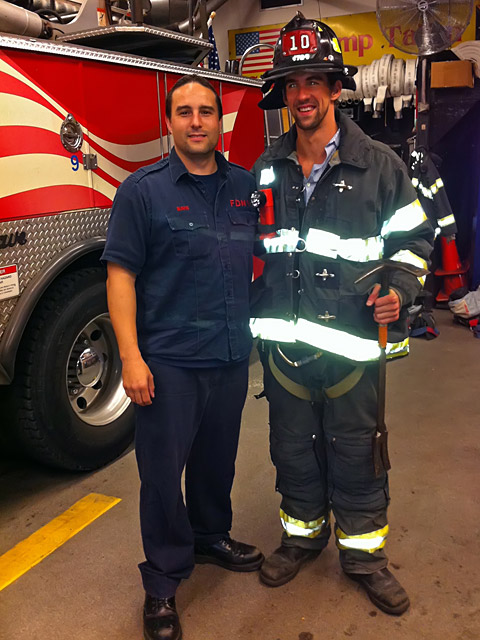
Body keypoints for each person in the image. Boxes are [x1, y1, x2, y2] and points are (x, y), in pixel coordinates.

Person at [250, 13, 434, 616]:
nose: (303, 94)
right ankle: (302, 537)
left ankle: (364, 557)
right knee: (293, 446)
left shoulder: (381, 165)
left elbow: (413, 242)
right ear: (284, 94)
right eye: (293, 83)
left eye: (315, 80)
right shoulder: (266, 167)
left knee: (357, 447)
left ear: (335, 87)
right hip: (284, 350)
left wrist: (400, 291)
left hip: (354, 348)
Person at [102, 74, 263, 640]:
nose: (196, 121)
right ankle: (163, 583)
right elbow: (120, 275)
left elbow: (261, 262)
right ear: (169, 122)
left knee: (218, 461)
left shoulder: (244, 187)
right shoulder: (141, 191)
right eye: (184, 111)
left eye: (206, 111)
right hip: (168, 362)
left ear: (220, 121)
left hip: (228, 356)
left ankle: (211, 535)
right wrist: (130, 357)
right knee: (162, 477)